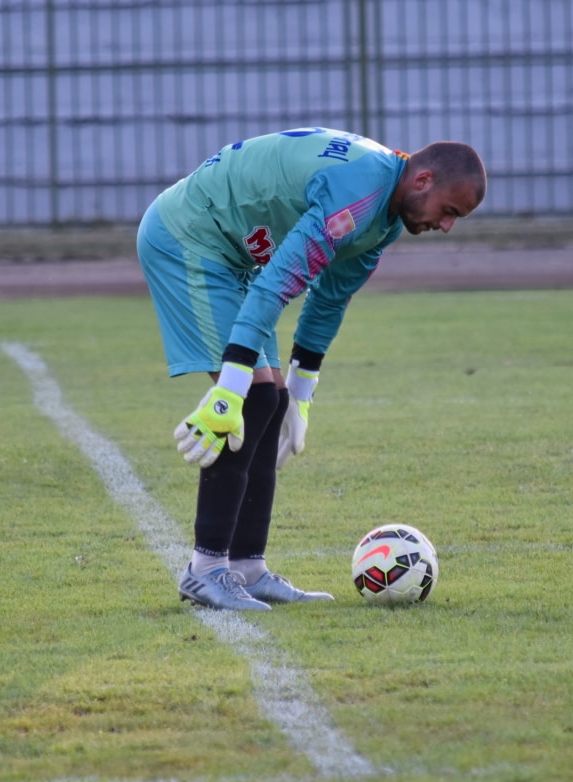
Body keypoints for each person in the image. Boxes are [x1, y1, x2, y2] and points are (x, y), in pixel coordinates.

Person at [136, 126, 487, 611]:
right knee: (254, 398)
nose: (447, 226)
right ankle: (206, 571)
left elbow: (328, 300)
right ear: (423, 180)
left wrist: (299, 395)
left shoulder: (383, 215)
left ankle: (246, 569)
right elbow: (279, 283)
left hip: (231, 255)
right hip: (189, 237)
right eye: (449, 211)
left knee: (271, 401)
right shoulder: (358, 196)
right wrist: (229, 390)